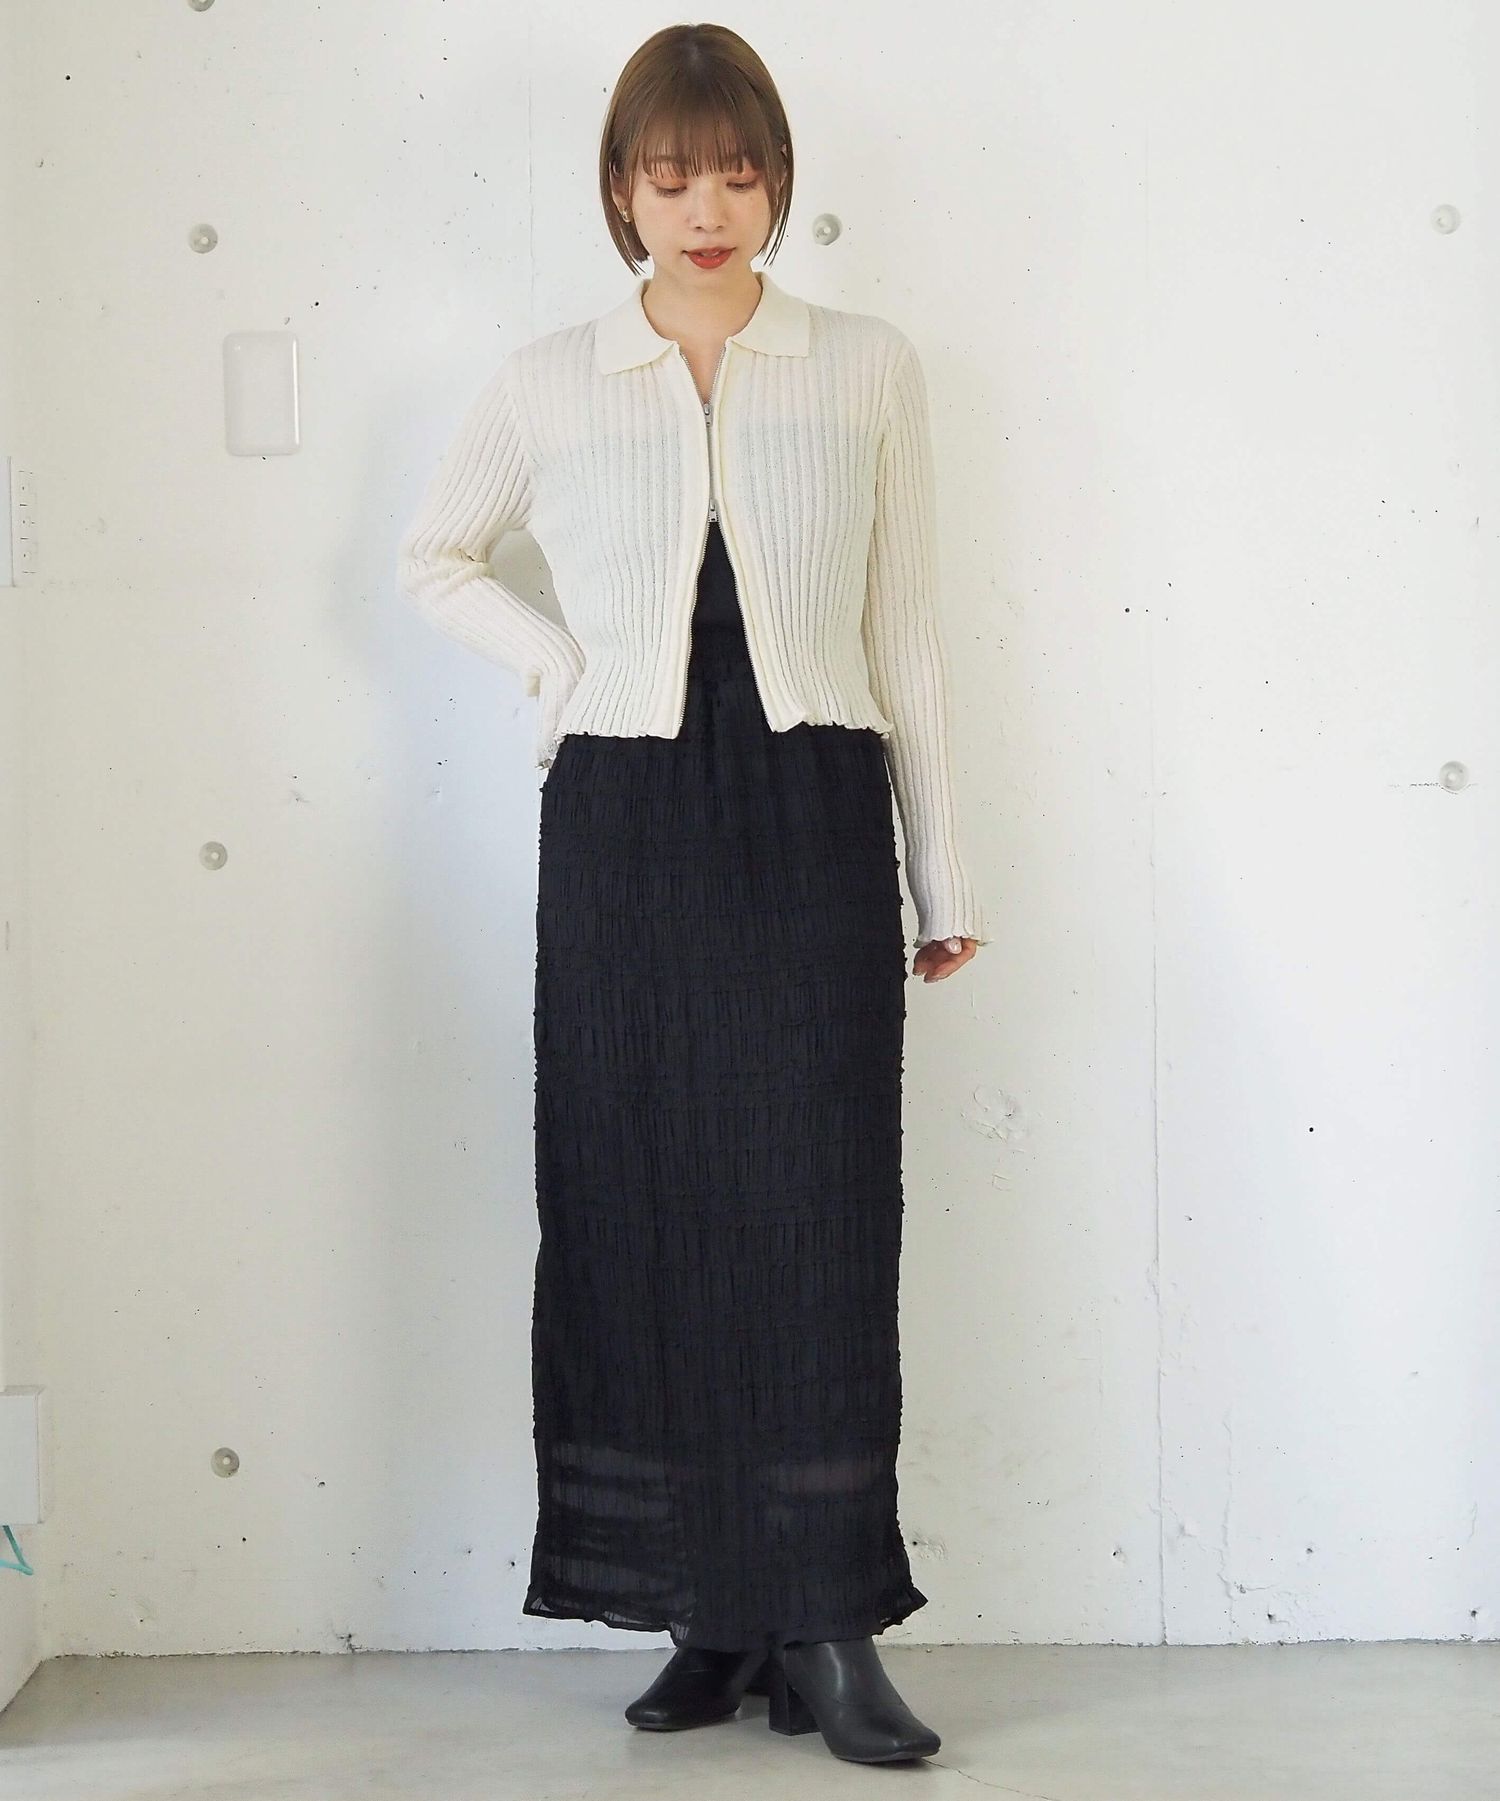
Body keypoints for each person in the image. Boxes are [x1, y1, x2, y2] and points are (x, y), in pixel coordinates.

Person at [395, 21, 986, 1767]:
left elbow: (905, 631)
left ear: (779, 181)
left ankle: (825, 1616)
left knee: (816, 1209)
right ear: (621, 189)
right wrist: (558, 663)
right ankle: (708, 1613)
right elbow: (432, 557)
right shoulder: (547, 380)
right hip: (625, 821)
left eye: (738, 174)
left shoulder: (865, 365)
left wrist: (943, 869)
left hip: (809, 813)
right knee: (638, 1198)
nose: (707, 208)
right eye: (671, 178)